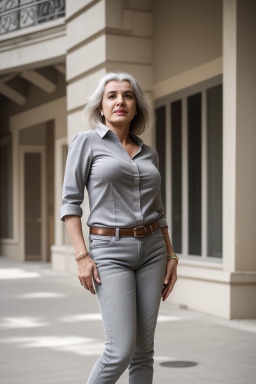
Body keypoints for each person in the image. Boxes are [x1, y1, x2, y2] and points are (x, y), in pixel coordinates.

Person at [60, 72, 178, 384]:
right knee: (119, 350)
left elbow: (158, 210)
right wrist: (82, 257)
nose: (120, 101)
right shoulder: (86, 143)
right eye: (111, 95)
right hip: (110, 252)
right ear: (101, 106)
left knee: (143, 351)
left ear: (136, 107)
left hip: (153, 251)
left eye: (127, 95)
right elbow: (70, 205)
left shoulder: (148, 152)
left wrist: (171, 256)